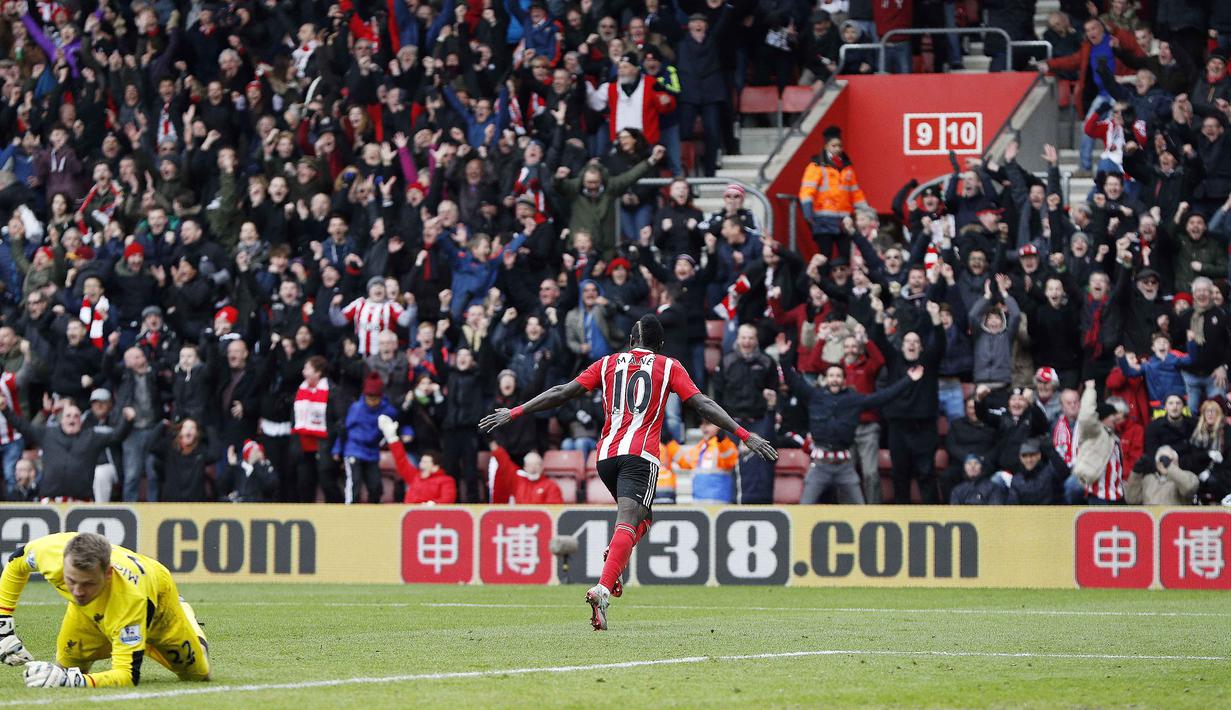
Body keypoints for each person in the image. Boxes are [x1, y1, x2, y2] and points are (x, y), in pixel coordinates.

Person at [480, 315, 776, 630]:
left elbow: (562, 392)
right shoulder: (668, 366)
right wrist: (746, 435)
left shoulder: (608, 363)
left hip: (605, 457)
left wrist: (515, 411)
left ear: (632, 342)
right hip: (640, 455)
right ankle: (604, 587)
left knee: (643, 518)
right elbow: (702, 404)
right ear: (659, 345)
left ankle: (615, 563)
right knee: (629, 522)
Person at [0, 531, 209, 687]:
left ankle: (185, 614)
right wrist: (3, 624)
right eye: (71, 581)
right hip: (89, 612)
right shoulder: (50, 553)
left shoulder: (130, 599)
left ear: (108, 574)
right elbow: (15, 564)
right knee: (66, 668)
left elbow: (127, 675)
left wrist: (73, 682)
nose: (78, 592)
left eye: (88, 583)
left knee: (198, 674)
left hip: (158, 605)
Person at [784, 362, 923, 504]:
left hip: (844, 466)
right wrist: (784, 358)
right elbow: (793, 381)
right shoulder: (814, 396)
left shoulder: (853, 399)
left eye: (838, 376)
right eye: (831, 376)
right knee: (805, 507)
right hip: (820, 465)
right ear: (825, 379)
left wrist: (908, 380)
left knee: (859, 509)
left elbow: (883, 397)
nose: (834, 379)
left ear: (844, 380)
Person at [486, 440, 564, 505]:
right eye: (530, 465)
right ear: (525, 468)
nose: (533, 468)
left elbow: (554, 511)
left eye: (537, 465)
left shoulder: (551, 486)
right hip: (519, 521)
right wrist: (494, 447)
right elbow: (505, 463)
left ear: (542, 467)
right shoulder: (518, 482)